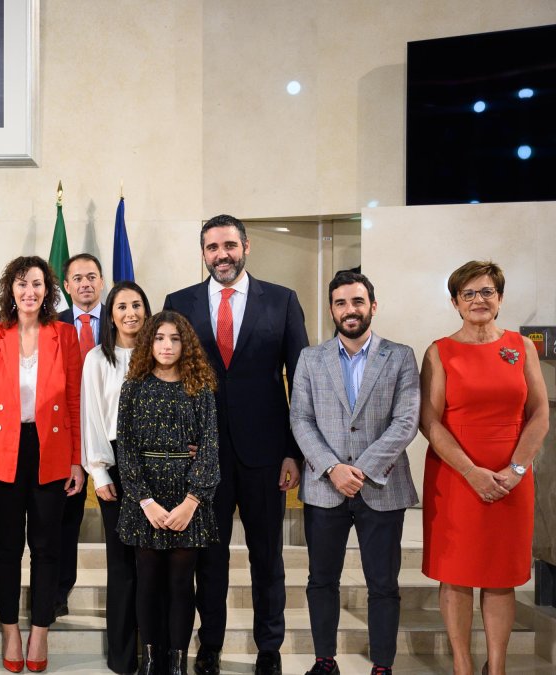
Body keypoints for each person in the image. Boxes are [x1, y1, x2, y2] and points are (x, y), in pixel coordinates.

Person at [163, 215, 308, 675]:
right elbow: (170, 382)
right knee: (210, 559)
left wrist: (293, 450)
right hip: (200, 457)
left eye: (229, 245)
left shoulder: (282, 301)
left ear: (246, 246)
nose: (221, 254)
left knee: (268, 558)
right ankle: (210, 647)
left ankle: (269, 648)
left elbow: (299, 383)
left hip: (266, 455)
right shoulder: (179, 303)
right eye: (212, 247)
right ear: (203, 252)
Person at [419, 261, 547, 675]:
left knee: (500, 576)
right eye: (469, 293)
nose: (479, 300)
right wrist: (472, 471)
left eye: (487, 291)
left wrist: (517, 469)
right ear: (455, 302)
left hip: (512, 480)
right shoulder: (439, 351)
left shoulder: (522, 347)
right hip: (456, 477)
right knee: (455, 575)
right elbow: (430, 420)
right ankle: (462, 664)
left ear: (500, 298)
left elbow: (540, 412)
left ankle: (498, 667)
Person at [290, 271, 421, 675]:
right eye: (342, 303)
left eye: (358, 302)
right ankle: (324, 661)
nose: (350, 310)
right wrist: (332, 468)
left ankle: (382, 666)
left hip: (382, 487)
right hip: (325, 489)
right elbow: (300, 418)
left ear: (372, 306)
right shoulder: (311, 358)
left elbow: (406, 421)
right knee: (321, 580)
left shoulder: (400, 356)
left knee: (383, 584)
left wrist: (358, 470)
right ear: (332, 309)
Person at [0, 256, 84, 673]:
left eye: (37, 284)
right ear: (10, 290)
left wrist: (76, 460)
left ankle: (40, 628)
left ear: (48, 290)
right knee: (5, 546)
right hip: (3, 450)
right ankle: (9, 628)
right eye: (22, 285)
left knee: (46, 545)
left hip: (50, 448)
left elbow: (73, 399)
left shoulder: (65, 335)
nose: (29, 292)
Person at [116, 311, 221, 675]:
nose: (166, 345)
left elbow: (209, 447)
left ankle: (176, 661)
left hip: (186, 498)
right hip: (145, 498)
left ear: (185, 344)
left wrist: (191, 502)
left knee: (180, 583)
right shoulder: (134, 387)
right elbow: (125, 448)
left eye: (175, 338)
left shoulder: (200, 388)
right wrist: (144, 500)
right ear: (149, 342)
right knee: (147, 582)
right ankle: (150, 659)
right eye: (160, 338)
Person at [81, 281, 151, 674]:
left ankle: (154, 650)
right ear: (111, 315)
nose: (130, 313)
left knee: (153, 564)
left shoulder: (161, 353)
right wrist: (98, 470)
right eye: (122, 306)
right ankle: (123, 656)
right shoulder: (97, 359)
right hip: (116, 465)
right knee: (122, 564)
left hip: (160, 465)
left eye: (137, 305)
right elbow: (92, 416)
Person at [55, 252, 106, 618]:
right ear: (66, 286)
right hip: (67, 435)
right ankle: (59, 592)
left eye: (92, 276)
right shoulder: (51, 325)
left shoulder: (125, 320)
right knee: (64, 522)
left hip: (112, 437)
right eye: (78, 278)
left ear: (102, 281)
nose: (85, 283)